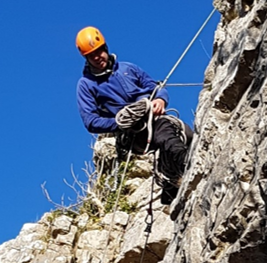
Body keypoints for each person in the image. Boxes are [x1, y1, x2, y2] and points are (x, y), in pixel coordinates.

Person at [75, 26, 192, 204]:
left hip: (153, 118)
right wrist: (121, 123)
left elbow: (155, 87)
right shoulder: (86, 85)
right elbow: (91, 121)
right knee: (167, 137)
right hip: (132, 133)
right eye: (92, 55)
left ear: (105, 48)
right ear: (86, 58)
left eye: (99, 51)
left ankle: (169, 183)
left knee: (188, 135)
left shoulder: (128, 68)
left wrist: (160, 100)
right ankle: (189, 172)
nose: (98, 57)